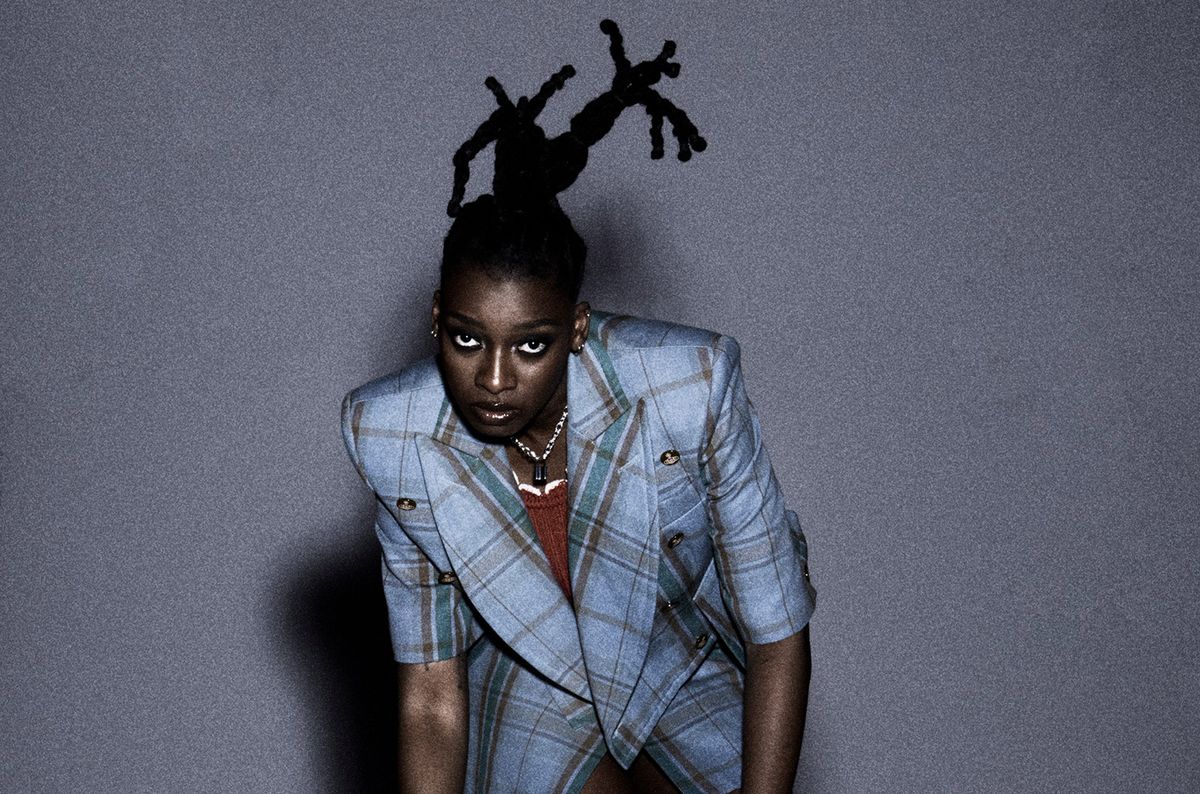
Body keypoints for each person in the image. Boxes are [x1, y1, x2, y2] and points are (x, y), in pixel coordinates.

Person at [340, 20, 816, 793]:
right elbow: (430, 696)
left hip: (678, 660)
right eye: (466, 339)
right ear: (436, 320)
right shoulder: (390, 433)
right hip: (532, 678)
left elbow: (777, 630)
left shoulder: (690, 385)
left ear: (578, 328)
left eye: (531, 345)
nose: (494, 379)